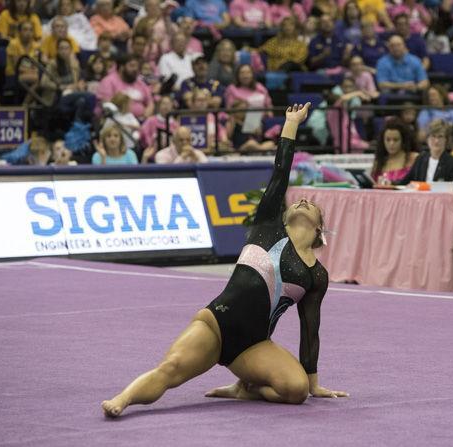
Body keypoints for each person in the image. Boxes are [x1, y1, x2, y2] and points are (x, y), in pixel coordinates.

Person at [101, 103, 348, 419]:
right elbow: (281, 171)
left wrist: (314, 383)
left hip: (254, 345)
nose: (302, 201)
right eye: (298, 201)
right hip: (217, 323)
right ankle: (123, 398)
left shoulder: (317, 275)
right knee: (171, 368)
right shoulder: (268, 225)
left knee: (295, 391)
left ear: (319, 227)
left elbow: (310, 328)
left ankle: (247, 388)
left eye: (310, 204)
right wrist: (291, 124)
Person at [396, 119, 453, 186]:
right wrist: (390, 183)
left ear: (446, 140)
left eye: (440, 136)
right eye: (433, 136)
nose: (436, 141)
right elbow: (405, 181)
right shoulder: (420, 159)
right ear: (427, 138)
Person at [97, 54, 154, 121]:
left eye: (136, 66)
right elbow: (107, 104)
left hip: (140, 120)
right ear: (122, 67)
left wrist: (144, 116)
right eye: (131, 66)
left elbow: (150, 103)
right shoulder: (108, 81)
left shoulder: (140, 83)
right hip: (117, 121)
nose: (135, 69)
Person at [371, 119, 418, 183]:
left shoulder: (414, 158)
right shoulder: (379, 161)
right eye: (388, 140)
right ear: (383, 141)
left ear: (403, 141)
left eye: (395, 140)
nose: (391, 144)